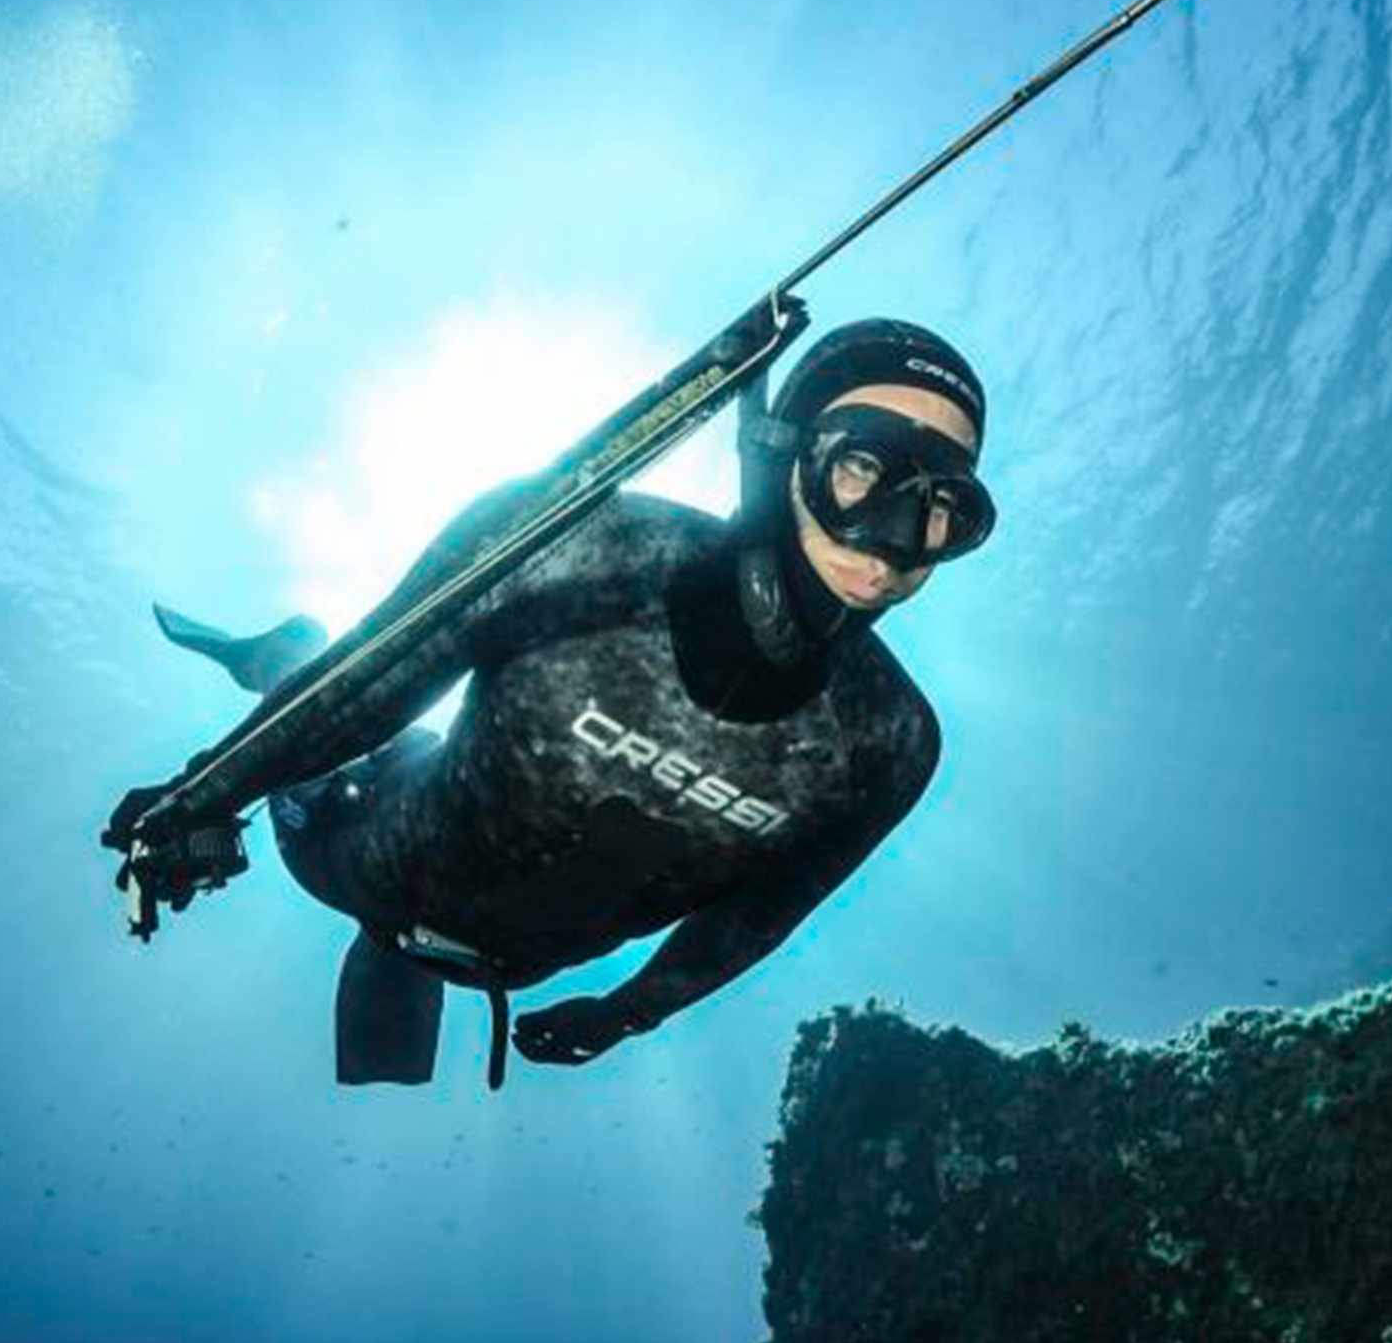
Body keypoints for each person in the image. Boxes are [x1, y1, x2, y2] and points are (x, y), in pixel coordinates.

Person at [102, 318, 996, 1086]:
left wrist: (626, 1013)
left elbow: (762, 913)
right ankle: (280, 649)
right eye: (865, 463)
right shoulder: (579, 542)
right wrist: (201, 794)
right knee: (342, 717)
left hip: (511, 963)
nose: (899, 538)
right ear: (780, 445)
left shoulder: (891, 743)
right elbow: (364, 689)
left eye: (943, 506)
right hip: (350, 842)